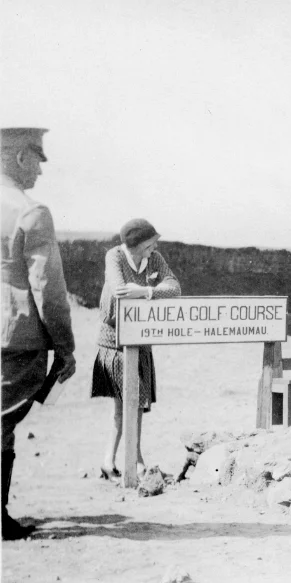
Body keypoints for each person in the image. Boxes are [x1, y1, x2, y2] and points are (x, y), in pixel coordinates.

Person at [2, 127, 77, 540]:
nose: (40, 171)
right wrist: (65, 348)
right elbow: (48, 289)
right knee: (2, 424)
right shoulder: (32, 211)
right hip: (16, 336)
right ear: (18, 159)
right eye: (36, 159)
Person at [91, 219, 180, 479]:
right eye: (150, 244)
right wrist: (148, 292)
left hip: (141, 340)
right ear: (137, 244)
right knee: (127, 405)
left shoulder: (154, 259)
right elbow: (119, 289)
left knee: (134, 405)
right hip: (115, 341)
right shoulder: (114, 256)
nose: (155, 248)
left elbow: (174, 287)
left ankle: (115, 461)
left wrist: (145, 291)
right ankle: (134, 461)